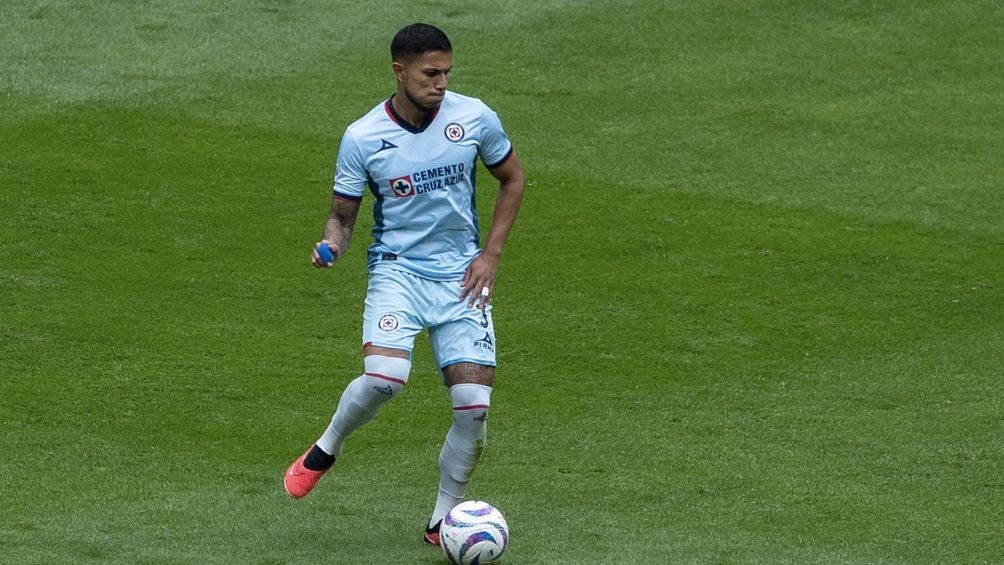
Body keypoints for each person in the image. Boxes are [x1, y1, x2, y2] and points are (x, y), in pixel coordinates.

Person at [283, 23, 525, 547]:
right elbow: (342, 218)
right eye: (430, 73)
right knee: (386, 377)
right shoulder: (364, 137)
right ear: (400, 71)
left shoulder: (473, 117)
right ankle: (328, 444)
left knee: (473, 404)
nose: (441, 83)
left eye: (447, 73)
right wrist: (331, 247)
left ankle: (442, 520)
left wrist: (491, 254)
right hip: (399, 270)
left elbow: (513, 178)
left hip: (462, 273)